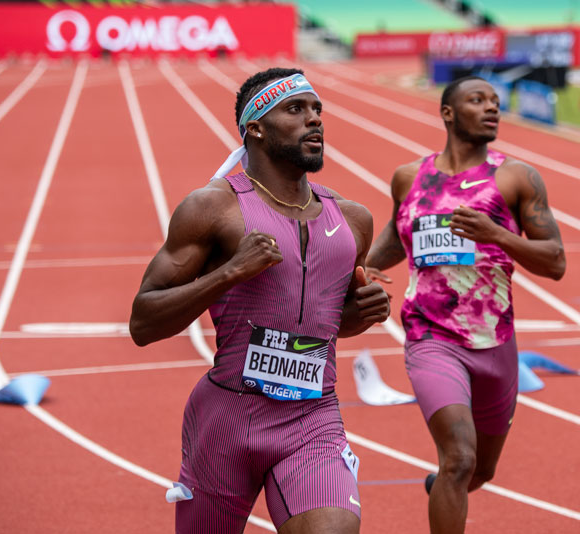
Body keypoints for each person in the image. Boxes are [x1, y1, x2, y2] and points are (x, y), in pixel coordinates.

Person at [129, 67, 390, 534]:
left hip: (313, 417)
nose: (315, 121)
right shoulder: (213, 208)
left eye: (317, 111)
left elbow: (329, 323)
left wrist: (362, 314)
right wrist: (230, 273)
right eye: (296, 110)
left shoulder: (353, 220)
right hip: (227, 420)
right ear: (255, 127)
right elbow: (143, 322)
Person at [365, 76, 566, 534]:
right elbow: (400, 234)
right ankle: (449, 481)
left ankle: (445, 486)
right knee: (459, 458)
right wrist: (367, 267)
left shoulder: (515, 177)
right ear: (449, 113)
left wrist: (496, 233)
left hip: (495, 341)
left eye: (495, 101)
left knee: (481, 471)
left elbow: (555, 262)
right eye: (478, 100)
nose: (492, 108)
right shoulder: (408, 178)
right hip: (431, 338)